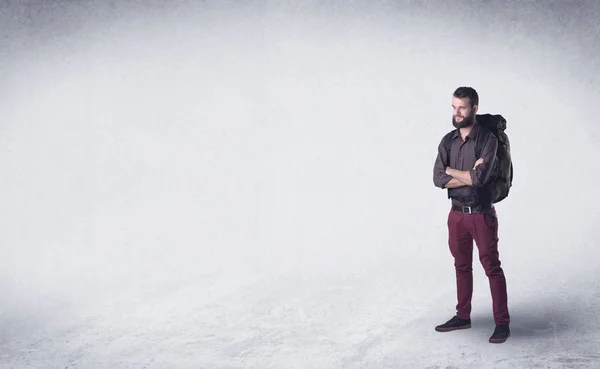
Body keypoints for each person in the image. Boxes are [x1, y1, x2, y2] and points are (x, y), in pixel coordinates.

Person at [432, 86, 511, 344]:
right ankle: (462, 316)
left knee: (492, 268)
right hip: (456, 215)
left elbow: (480, 179)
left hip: (482, 215)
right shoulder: (447, 140)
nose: (457, 112)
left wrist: (452, 172)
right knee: (461, 266)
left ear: (474, 109)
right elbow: (437, 178)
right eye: (454, 107)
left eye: (462, 107)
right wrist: (462, 173)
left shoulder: (488, 139)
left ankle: (502, 323)